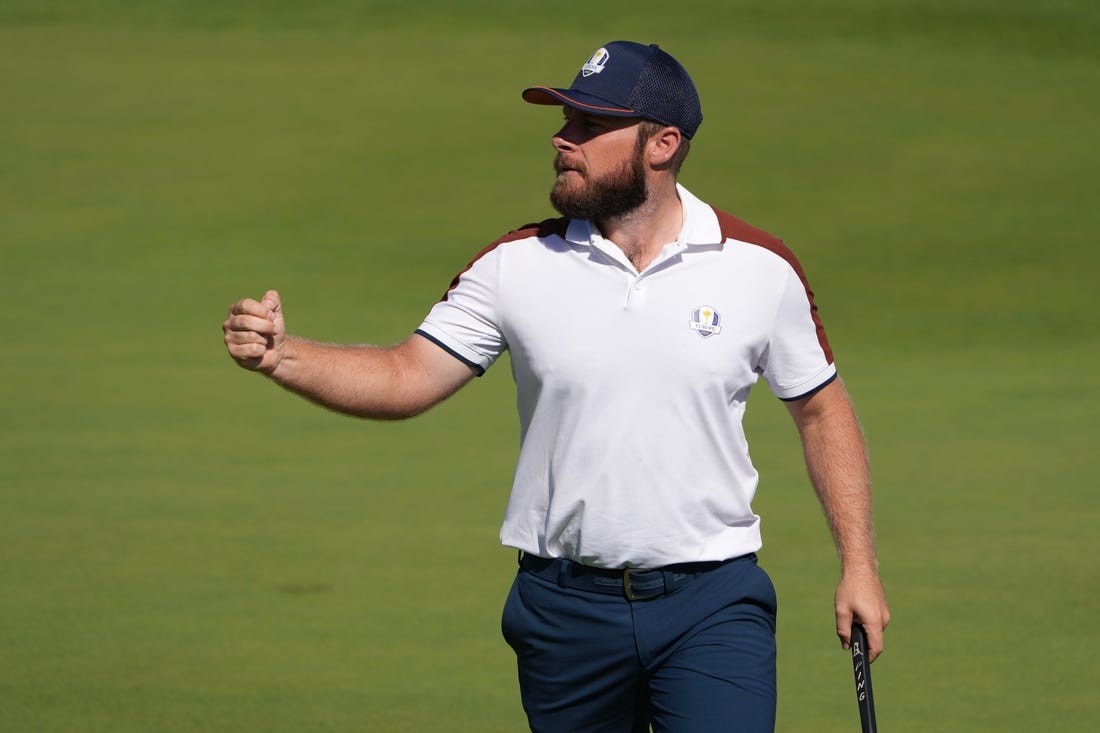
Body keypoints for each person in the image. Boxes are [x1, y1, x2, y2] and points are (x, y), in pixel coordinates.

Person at [223, 40, 889, 733]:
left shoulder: (758, 268)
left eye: (589, 127)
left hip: (713, 600)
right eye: (567, 120)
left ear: (662, 144)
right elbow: (405, 374)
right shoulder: (516, 264)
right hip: (564, 609)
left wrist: (859, 566)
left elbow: (820, 408)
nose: (562, 139)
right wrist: (284, 357)